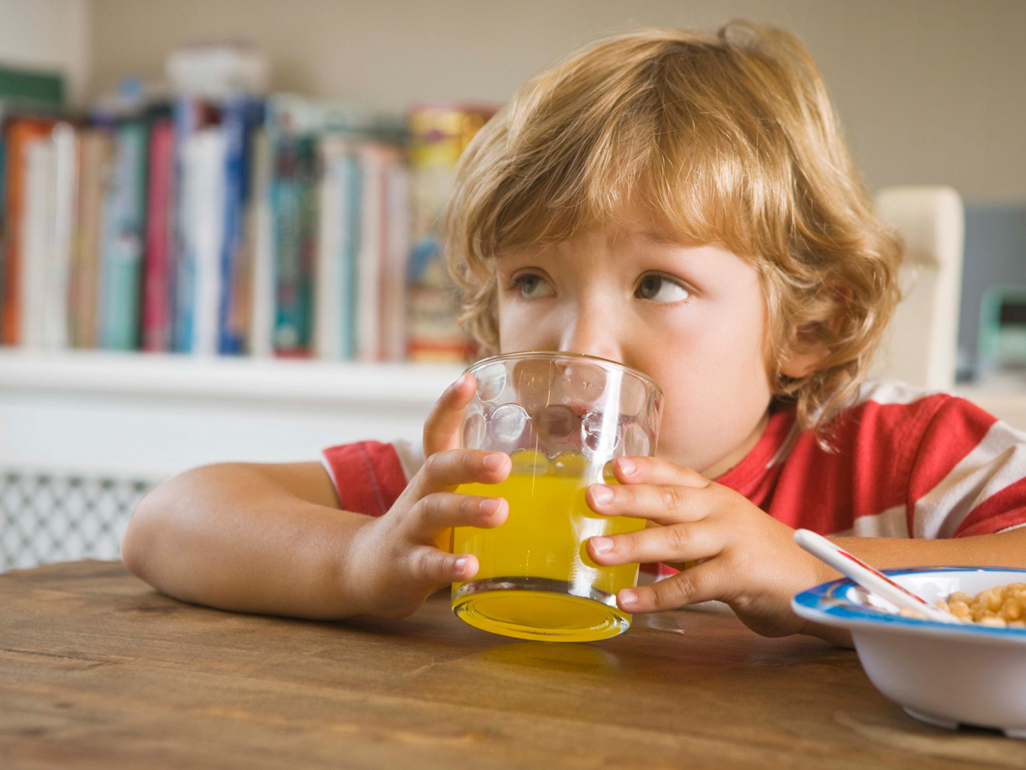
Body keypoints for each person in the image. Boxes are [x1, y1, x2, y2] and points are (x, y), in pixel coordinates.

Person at [122, 21, 1026, 645]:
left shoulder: (897, 459)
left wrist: (807, 571)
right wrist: (362, 558)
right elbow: (170, 521)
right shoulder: (484, 485)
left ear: (810, 323)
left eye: (658, 283)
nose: (581, 350)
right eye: (532, 281)